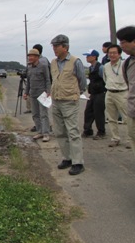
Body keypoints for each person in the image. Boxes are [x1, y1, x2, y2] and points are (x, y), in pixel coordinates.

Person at [50, 34, 87, 175]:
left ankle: (78, 162)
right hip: (56, 101)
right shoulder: (53, 62)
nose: (54, 49)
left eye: (56, 46)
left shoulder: (75, 61)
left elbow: (82, 82)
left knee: (73, 132)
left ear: (65, 47)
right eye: (53, 46)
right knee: (59, 131)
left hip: (70, 101)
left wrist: (75, 93)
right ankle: (67, 158)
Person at [103, 44, 128, 147]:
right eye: (110, 53)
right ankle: (115, 138)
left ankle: (129, 139)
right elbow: (105, 79)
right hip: (109, 93)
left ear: (119, 54)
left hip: (122, 93)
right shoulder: (106, 66)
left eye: (114, 53)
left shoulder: (124, 64)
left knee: (127, 118)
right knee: (111, 118)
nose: (112, 55)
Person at [23, 49, 51, 142]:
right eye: (29, 56)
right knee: (35, 114)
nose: (30, 58)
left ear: (37, 57)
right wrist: (26, 92)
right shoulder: (29, 67)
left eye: (32, 56)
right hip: (33, 94)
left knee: (43, 114)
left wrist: (48, 91)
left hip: (42, 94)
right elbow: (29, 82)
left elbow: (48, 79)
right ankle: (40, 132)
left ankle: (46, 133)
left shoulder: (43, 66)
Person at [116, 26, 135, 153]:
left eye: (123, 42)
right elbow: (130, 86)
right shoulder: (127, 63)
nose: (121, 46)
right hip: (133, 111)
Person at [82, 49, 106, 140]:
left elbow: (105, 79)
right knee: (88, 112)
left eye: (89, 56)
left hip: (100, 93)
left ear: (94, 57)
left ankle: (101, 132)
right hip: (93, 94)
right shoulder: (91, 67)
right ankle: (87, 130)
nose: (87, 57)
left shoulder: (100, 68)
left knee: (98, 113)